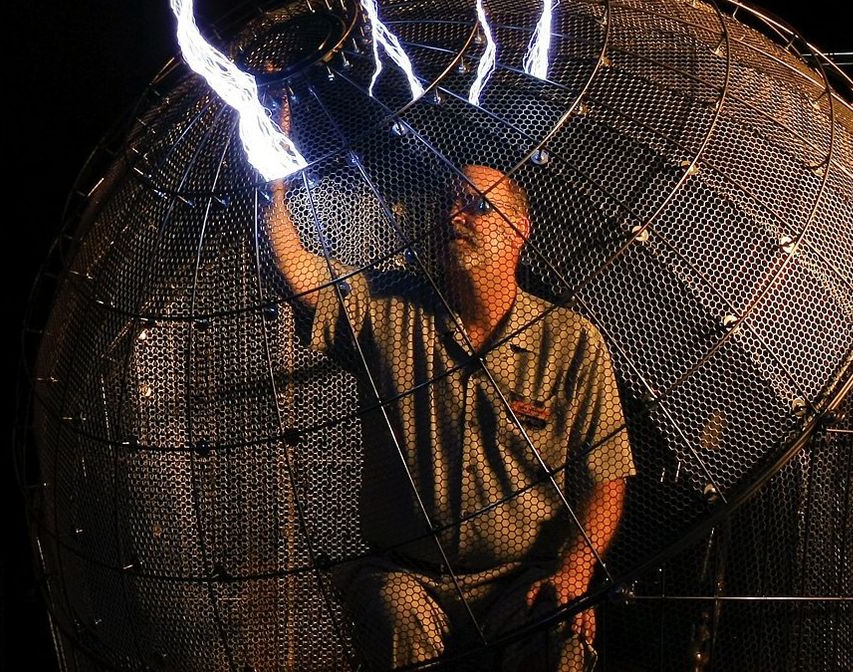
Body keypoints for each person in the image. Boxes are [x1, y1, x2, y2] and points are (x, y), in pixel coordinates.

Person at [266, 163, 633, 672]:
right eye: (448, 206)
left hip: (518, 578)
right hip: (408, 576)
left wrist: (574, 571)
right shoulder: (389, 310)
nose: (456, 216)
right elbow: (298, 268)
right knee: (391, 609)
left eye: (478, 205)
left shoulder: (570, 342)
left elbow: (607, 473)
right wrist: (276, 185)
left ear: (521, 228)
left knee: (560, 628)